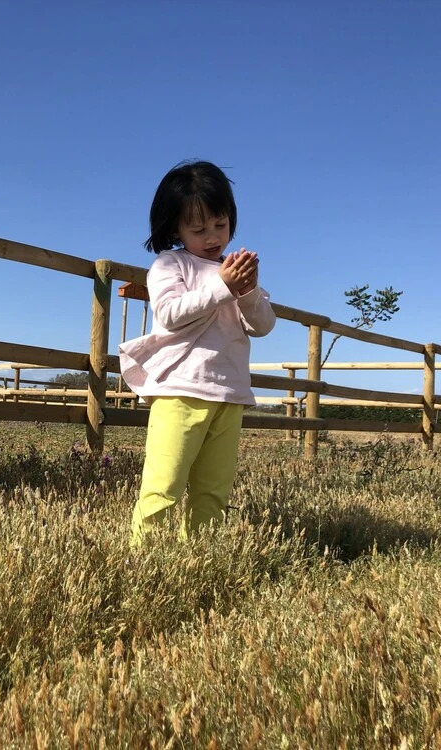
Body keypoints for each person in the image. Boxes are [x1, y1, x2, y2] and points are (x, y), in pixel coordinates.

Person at [119, 160, 276, 544]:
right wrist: (224, 287)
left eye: (220, 224)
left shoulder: (234, 271)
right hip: (180, 392)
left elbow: (262, 325)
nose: (213, 237)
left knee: (213, 490)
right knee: (163, 485)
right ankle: (142, 557)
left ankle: (200, 556)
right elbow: (170, 314)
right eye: (199, 229)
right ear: (176, 228)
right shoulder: (170, 264)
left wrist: (249, 291)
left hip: (229, 394)